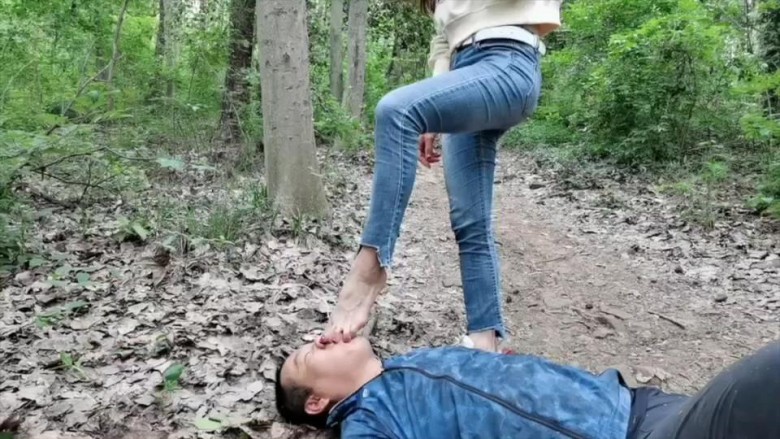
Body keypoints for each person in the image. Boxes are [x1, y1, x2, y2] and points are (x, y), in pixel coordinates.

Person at [323, 0, 564, 352]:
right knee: (470, 222)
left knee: (396, 111)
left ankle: (369, 269)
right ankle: (485, 342)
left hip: (508, 61)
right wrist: (434, 116)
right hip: (464, 75)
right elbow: (443, 42)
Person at [275, 337, 780, 438]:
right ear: (318, 402)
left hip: (636, 403)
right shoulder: (368, 423)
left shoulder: (410, 363)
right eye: (307, 355)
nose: (322, 337)